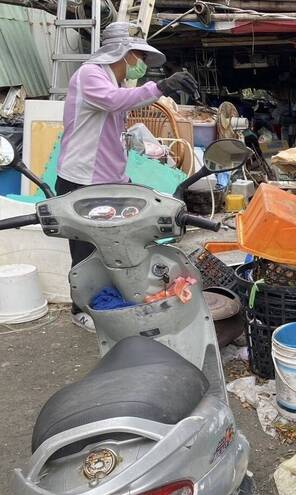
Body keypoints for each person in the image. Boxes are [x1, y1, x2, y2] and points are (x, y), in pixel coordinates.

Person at [56, 22, 199, 332]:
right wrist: (162, 87)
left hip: (106, 181)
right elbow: (113, 101)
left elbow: (112, 133)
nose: (141, 66)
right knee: (85, 252)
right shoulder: (91, 74)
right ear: (122, 53)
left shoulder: (115, 82)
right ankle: (80, 309)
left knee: (112, 245)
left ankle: (108, 301)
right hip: (81, 180)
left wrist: (123, 178)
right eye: (139, 58)